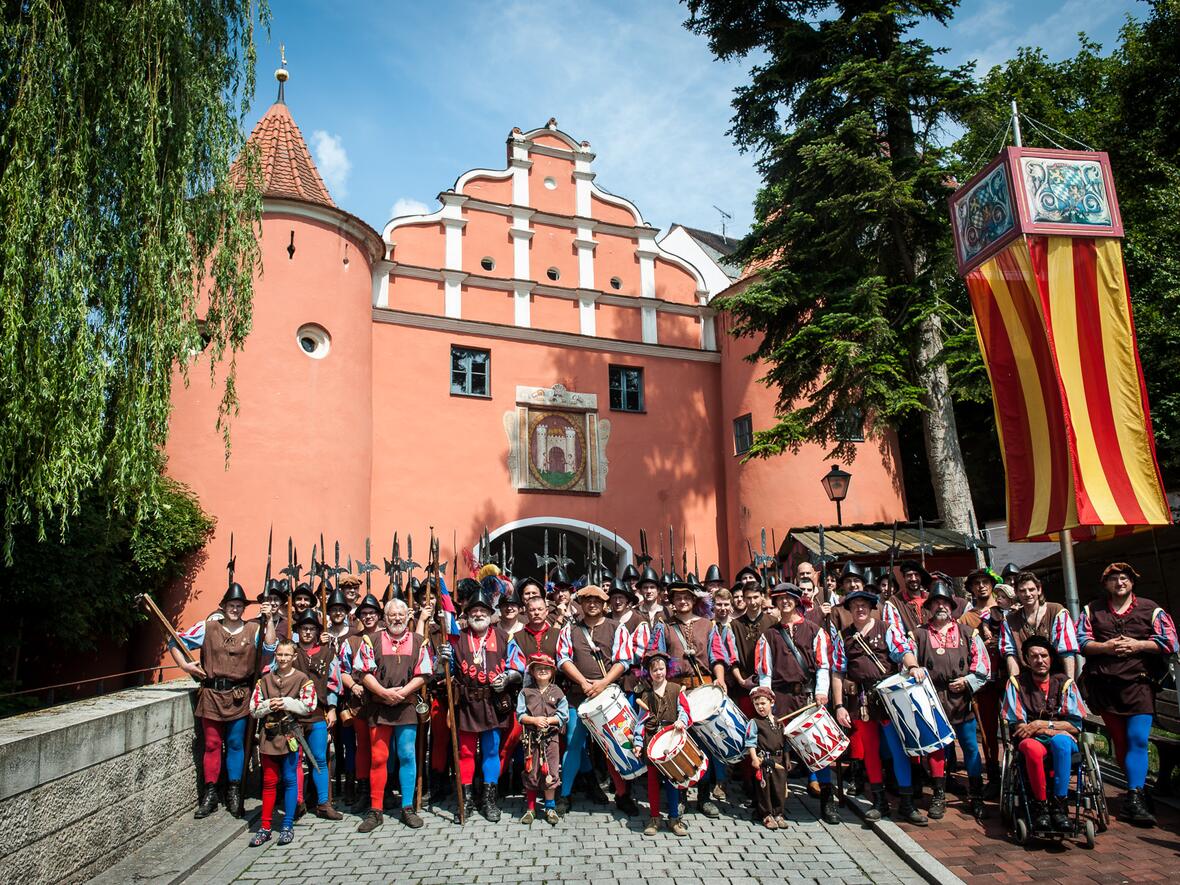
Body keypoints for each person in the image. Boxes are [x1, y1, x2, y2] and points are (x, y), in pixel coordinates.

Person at [1077, 562, 1179, 826]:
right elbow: (1080, 641)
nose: (1120, 583)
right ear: (1106, 584)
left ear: (1132, 582)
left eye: (1124, 578)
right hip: (1106, 687)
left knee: (1137, 739)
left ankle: (1132, 797)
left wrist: (1139, 645)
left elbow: (1170, 641)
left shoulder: (1151, 609)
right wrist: (1105, 647)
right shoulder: (1092, 610)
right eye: (1114, 579)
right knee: (1121, 743)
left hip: (1139, 685)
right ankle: (1140, 790)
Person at [172, 581, 276, 820]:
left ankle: (234, 792)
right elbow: (175, 641)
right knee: (211, 744)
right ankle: (210, 794)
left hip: (240, 696)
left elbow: (270, 647)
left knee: (237, 743)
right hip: (211, 695)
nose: (235, 609)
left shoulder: (253, 629)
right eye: (232, 605)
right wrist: (184, 665)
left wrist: (269, 619)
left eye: (239, 605)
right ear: (224, 606)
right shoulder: (207, 628)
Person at [831, 588, 930, 825]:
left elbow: (903, 651)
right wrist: (838, 706)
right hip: (861, 701)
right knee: (870, 751)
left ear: (872, 607)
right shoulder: (843, 637)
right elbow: (837, 671)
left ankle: (907, 804)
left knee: (897, 749)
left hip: (888, 698)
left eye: (864, 605)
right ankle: (878, 802)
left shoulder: (886, 629)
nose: (860, 609)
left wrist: (913, 666)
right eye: (855, 606)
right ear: (850, 610)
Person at [439, 579, 525, 821]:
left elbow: (519, 667)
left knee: (490, 752)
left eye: (483, 611)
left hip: (492, 704)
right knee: (465, 753)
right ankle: (465, 801)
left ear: (490, 613)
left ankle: (488, 800)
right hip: (466, 704)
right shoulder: (457, 639)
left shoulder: (504, 637)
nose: (478, 614)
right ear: (467, 615)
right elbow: (444, 673)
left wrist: (508, 677)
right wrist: (442, 660)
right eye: (474, 611)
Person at [755, 582, 838, 824]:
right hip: (779, 699)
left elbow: (823, 666)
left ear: (797, 601)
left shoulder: (814, 630)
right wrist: (766, 700)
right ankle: (773, 803)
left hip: (807, 698)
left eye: (789, 598)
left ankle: (827, 800)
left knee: (818, 749)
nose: (785, 602)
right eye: (780, 599)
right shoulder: (768, 635)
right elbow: (765, 672)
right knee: (774, 751)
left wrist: (822, 693)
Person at [556, 583, 637, 815]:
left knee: (614, 746)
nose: (592, 605)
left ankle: (622, 795)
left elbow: (623, 660)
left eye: (597, 601)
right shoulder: (569, 630)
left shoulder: (617, 628)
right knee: (573, 743)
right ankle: (565, 794)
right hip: (577, 695)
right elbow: (563, 660)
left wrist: (603, 683)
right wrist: (582, 682)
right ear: (581, 604)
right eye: (588, 601)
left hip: (608, 696)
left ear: (604, 604)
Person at [911, 581, 990, 819]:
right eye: (936, 602)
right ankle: (938, 795)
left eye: (944, 602)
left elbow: (983, 667)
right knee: (937, 749)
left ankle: (975, 795)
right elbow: (909, 666)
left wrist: (967, 681)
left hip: (962, 699)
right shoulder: (918, 634)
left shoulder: (968, 633)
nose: (940, 606)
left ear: (952, 606)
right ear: (930, 607)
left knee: (970, 747)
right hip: (933, 698)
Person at [353, 598, 433, 831]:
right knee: (379, 757)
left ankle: (407, 807)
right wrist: (383, 692)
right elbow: (362, 671)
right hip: (379, 707)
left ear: (408, 616)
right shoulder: (372, 640)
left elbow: (424, 672)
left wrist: (403, 692)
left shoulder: (419, 641)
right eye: (391, 615)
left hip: (406, 706)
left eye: (400, 614)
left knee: (407, 755)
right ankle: (376, 809)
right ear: (384, 618)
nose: (396, 618)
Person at [1001, 635, 1088, 833]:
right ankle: (1040, 807)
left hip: (1062, 739)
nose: (1040, 660)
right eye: (1034, 656)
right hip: (1031, 740)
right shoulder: (1016, 684)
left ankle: (1059, 806)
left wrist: (1041, 725)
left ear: (1051, 658)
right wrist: (1044, 729)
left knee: (1061, 743)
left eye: (1044, 656)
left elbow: (1075, 725)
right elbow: (1019, 727)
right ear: (1027, 660)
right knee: (1031, 748)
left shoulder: (1065, 683)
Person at [248, 639, 316, 846]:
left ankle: (287, 824)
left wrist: (287, 703)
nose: (283, 659)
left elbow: (309, 705)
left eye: (287, 655)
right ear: (275, 655)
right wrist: (269, 705)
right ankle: (266, 826)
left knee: (289, 779)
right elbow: (254, 708)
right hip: (269, 736)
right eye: (280, 655)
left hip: (290, 736)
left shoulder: (302, 679)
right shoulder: (265, 680)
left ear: (294, 657)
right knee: (269, 781)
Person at [292, 610, 344, 821]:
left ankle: (323, 804)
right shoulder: (290, 652)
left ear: (317, 632)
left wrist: (331, 708)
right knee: (294, 760)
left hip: (317, 714)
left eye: (311, 628)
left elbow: (334, 683)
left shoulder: (327, 653)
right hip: (293, 715)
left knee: (320, 759)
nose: (307, 632)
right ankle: (296, 802)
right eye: (304, 628)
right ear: (298, 631)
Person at [635, 649, 693, 837]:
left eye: (661, 669)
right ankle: (654, 818)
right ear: (649, 673)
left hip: (671, 739)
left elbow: (684, 711)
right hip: (652, 741)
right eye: (654, 670)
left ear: (666, 669)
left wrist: (681, 721)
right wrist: (637, 742)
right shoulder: (645, 695)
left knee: (672, 781)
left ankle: (674, 818)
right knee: (652, 781)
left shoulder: (676, 690)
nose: (658, 673)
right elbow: (640, 721)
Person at [340, 593, 383, 813]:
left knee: (381, 750)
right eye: (364, 613)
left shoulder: (387, 638)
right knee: (362, 748)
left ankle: (382, 792)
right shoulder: (351, 641)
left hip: (383, 703)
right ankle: (364, 791)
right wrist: (353, 686)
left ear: (378, 615)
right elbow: (343, 670)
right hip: (360, 701)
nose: (368, 617)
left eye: (372, 613)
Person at [517, 653, 568, 825]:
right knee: (531, 772)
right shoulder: (526, 692)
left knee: (551, 772)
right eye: (539, 668)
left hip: (551, 739)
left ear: (552, 672)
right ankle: (530, 809)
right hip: (531, 739)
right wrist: (534, 720)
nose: (543, 671)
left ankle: (550, 807)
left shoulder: (558, 692)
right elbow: (520, 715)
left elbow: (564, 715)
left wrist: (549, 720)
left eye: (546, 668)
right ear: (532, 671)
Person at [1000, 571, 1078, 680]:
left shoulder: (1057, 611)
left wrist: (1069, 683)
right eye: (1022, 591)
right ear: (1016, 593)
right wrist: (1015, 686)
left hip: (1056, 677)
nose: (1027, 594)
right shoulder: (1009, 620)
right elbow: (1011, 654)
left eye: (1031, 589)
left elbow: (1067, 651)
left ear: (1039, 589)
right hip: (1027, 682)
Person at [745, 686, 789, 829]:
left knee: (779, 788)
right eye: (756, 704)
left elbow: (785, 743)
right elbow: (750, 743)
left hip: (779, 760)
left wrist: (787, 759)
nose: (760, 707)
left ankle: (779, 813)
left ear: (772, 702)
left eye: (763, 703)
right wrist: (754, 758)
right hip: (764, 760)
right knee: (765, 789)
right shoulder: (754, 723)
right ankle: (766, 814)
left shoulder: (779, 722)